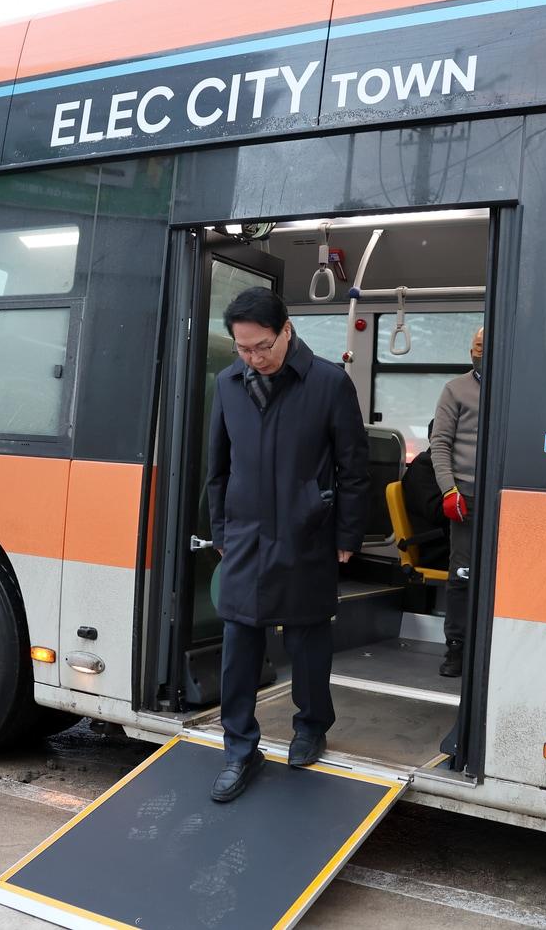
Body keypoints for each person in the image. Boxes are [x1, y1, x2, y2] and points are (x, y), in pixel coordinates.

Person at [206, 288, 370, 803]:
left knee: (306, 639)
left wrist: (346, 535)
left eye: (262, 347)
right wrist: (220, 530)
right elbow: (218, 466)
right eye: (243, 348)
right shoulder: (229, 383)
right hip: (245, 536)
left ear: (287, 330)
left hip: (307, 533)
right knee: (239, 642)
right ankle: (239, 748)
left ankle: (311, 725)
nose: (253, 358)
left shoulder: (328, 383)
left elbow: (354, 468)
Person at [431, 327, 483, 678]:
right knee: (462, 575)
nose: (480, 351)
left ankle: (489, 647)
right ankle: (456, 647)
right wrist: (449, 489)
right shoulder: (455, 390)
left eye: (486, 346)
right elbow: (440, 444)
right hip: (465, 493)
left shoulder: (519, 388)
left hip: (505, 498)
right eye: (477, 345)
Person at [401, 420, 449, 571]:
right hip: (438, 549)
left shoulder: (445, 468)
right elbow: (436, 512)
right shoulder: (424, 466)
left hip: (450, 543)